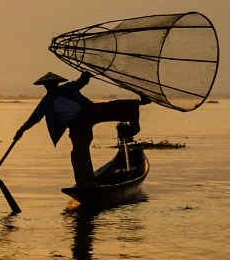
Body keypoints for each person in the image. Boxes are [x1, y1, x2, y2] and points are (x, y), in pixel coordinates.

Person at [15, 72, 150, 190]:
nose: (51, 87)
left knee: (110, 107)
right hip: (76, 125)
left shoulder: (67, 88)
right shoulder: (46, 102)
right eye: (48, 85)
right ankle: (86, 182)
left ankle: (139, 104)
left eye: (52, 84)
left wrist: (85, 76)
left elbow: (80, 82)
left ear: (56, 84)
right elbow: (34, 118)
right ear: (45, 87)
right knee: (78, 153)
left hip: (86, 113)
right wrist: (21, 130)